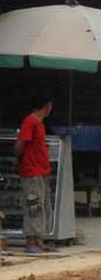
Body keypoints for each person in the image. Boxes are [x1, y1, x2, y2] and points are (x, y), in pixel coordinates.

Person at [15, 98, 56, 254]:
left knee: (43, 205)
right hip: (32, 170)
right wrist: (19, 159)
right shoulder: (30, 121)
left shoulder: (38, 123)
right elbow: (21, 144)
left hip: (41, 170)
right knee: (34, 205)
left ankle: (39, 240)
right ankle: (30, 241)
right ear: (47, 107)